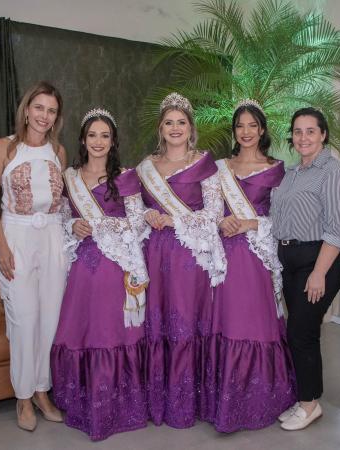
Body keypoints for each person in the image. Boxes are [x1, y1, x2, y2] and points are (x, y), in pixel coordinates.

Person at [50, 108, 150, 441]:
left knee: (109, 333)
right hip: (82, 267)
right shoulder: (70, 178)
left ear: (113, 141)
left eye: (104, 135)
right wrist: (72, 225)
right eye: (92, 135)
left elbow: (136, 223)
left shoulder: (126, 177)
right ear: (82, 139)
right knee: (82, 332)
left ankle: (116, 408)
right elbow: (61, 218)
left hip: (114, 267)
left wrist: (100, 225)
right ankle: (82, 405)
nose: (98, 141)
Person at [204, 99, 295, 432]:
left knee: (255, 323)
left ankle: (259, 400)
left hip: (256, 258)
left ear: (262, 130)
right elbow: (209, 211)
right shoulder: (219, 168)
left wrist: (250, 224)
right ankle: (224, 403)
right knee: (227, 322)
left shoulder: (277, 170)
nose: (245, 132)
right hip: (224, 257)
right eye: (240, 126)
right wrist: (221, 222)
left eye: (252, 125)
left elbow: (282, 219)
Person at [136, 92, 226, 429]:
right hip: (154, 253)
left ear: (191, 128)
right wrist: (147, 214)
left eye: (181, 122)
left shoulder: (205, 164)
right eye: (169, 123)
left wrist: (175, 220)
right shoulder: (145, 166)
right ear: (160, 128)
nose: (175, 128)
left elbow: (215, 213)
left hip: (189, 256)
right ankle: (157, 401)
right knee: (157, 322)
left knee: (185, 321)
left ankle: (186, 403)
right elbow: (133, 207)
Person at [0, 81, 67, 431]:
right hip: (15, 236)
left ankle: (42, 391)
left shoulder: (58, 152)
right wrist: (2, 245)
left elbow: (62, 203)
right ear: (27, 110)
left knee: (50, 320)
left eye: (51, 111)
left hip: (53, 238)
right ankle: (22, 397)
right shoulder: (3, 147)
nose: (44, 116)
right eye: (39, 108)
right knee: (24, 319)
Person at [270, 107, 340, 431]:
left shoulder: (333, 172)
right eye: (298, 131)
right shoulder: (291, 173)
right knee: (302, 331)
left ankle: (309, 405)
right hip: (290, 260)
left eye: (310, 131)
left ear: (323, 134)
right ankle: (306, 396)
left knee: (300, 332)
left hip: (318, 259)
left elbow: (337, 228)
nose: (303, 137)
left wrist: (318, 273)